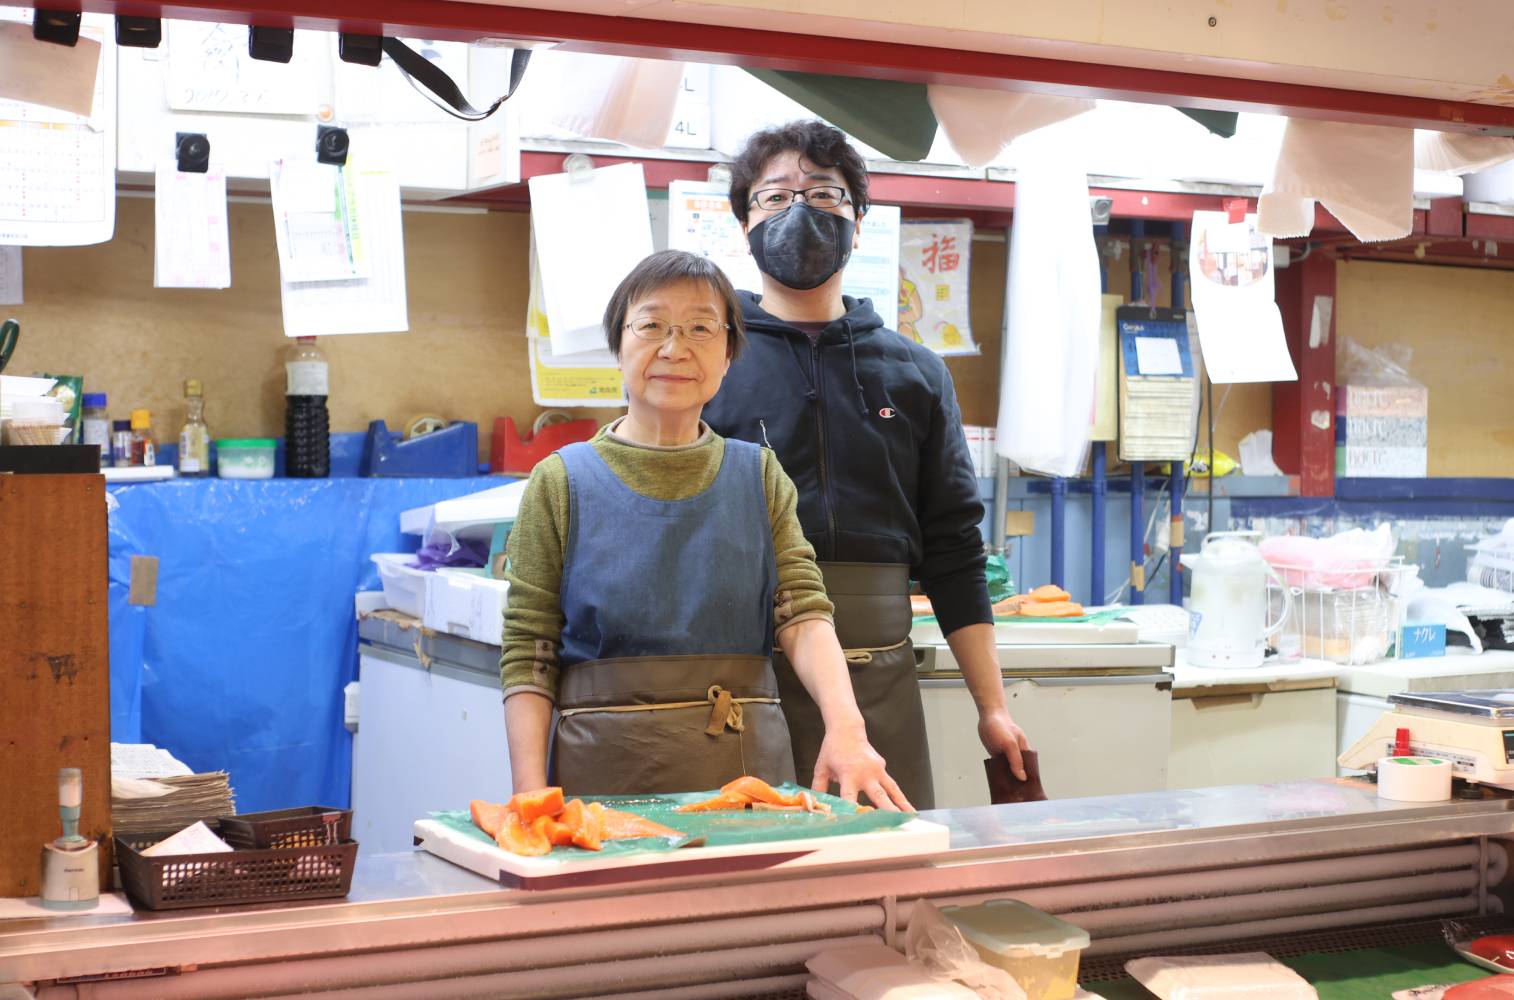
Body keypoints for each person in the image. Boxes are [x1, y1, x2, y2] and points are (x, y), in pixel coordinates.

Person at [500, 249, 910, 809]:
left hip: (746, 774)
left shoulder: (759, 473)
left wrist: (847, 729)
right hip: (599, 779)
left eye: (700, 328)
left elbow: (804, 614)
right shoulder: (559, 481)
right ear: (618, 346)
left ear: (728, 355)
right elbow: (531, 650)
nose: (675, 348)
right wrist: (530, 794)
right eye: (651, 326)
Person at [702, 120, 1032, 810]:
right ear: (743, 223)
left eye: (823, 194)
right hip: (739, 676)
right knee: (752, 884)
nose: (799, 210)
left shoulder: (915, 373)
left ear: (858, 220)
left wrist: (992, 707)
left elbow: (955, 550)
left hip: (881, 668)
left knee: (889, 873)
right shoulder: (709, 363)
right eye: (774, 197)